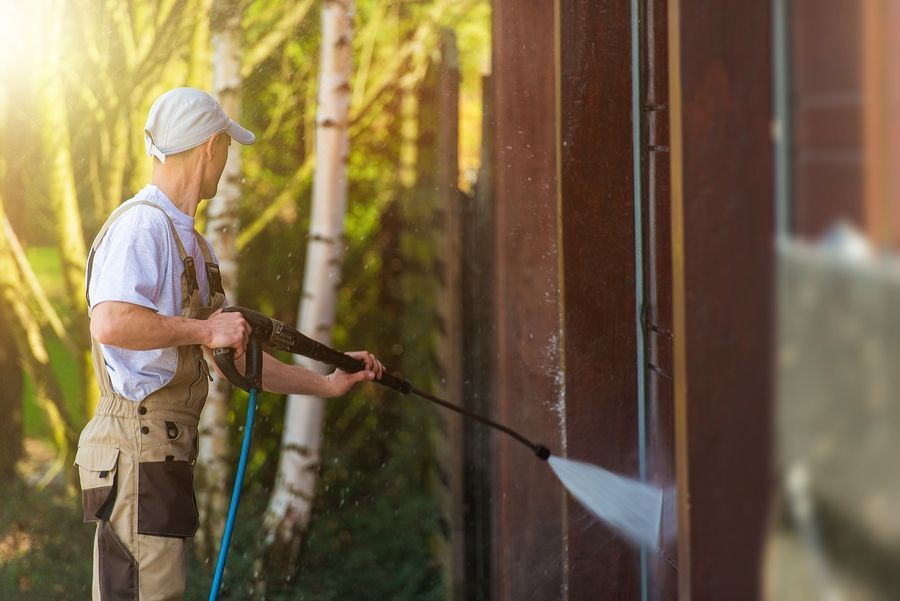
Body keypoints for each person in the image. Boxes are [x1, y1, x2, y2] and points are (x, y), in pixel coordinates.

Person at [75, 87, 384, 601]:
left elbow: (233, 357)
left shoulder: (193, 245)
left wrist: (328, 384)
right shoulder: (142, 226)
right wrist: (203, 330)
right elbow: (110, 321)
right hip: (135, 445)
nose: (226, 160)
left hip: (161, 452)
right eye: (227, 149)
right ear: (210, 146)